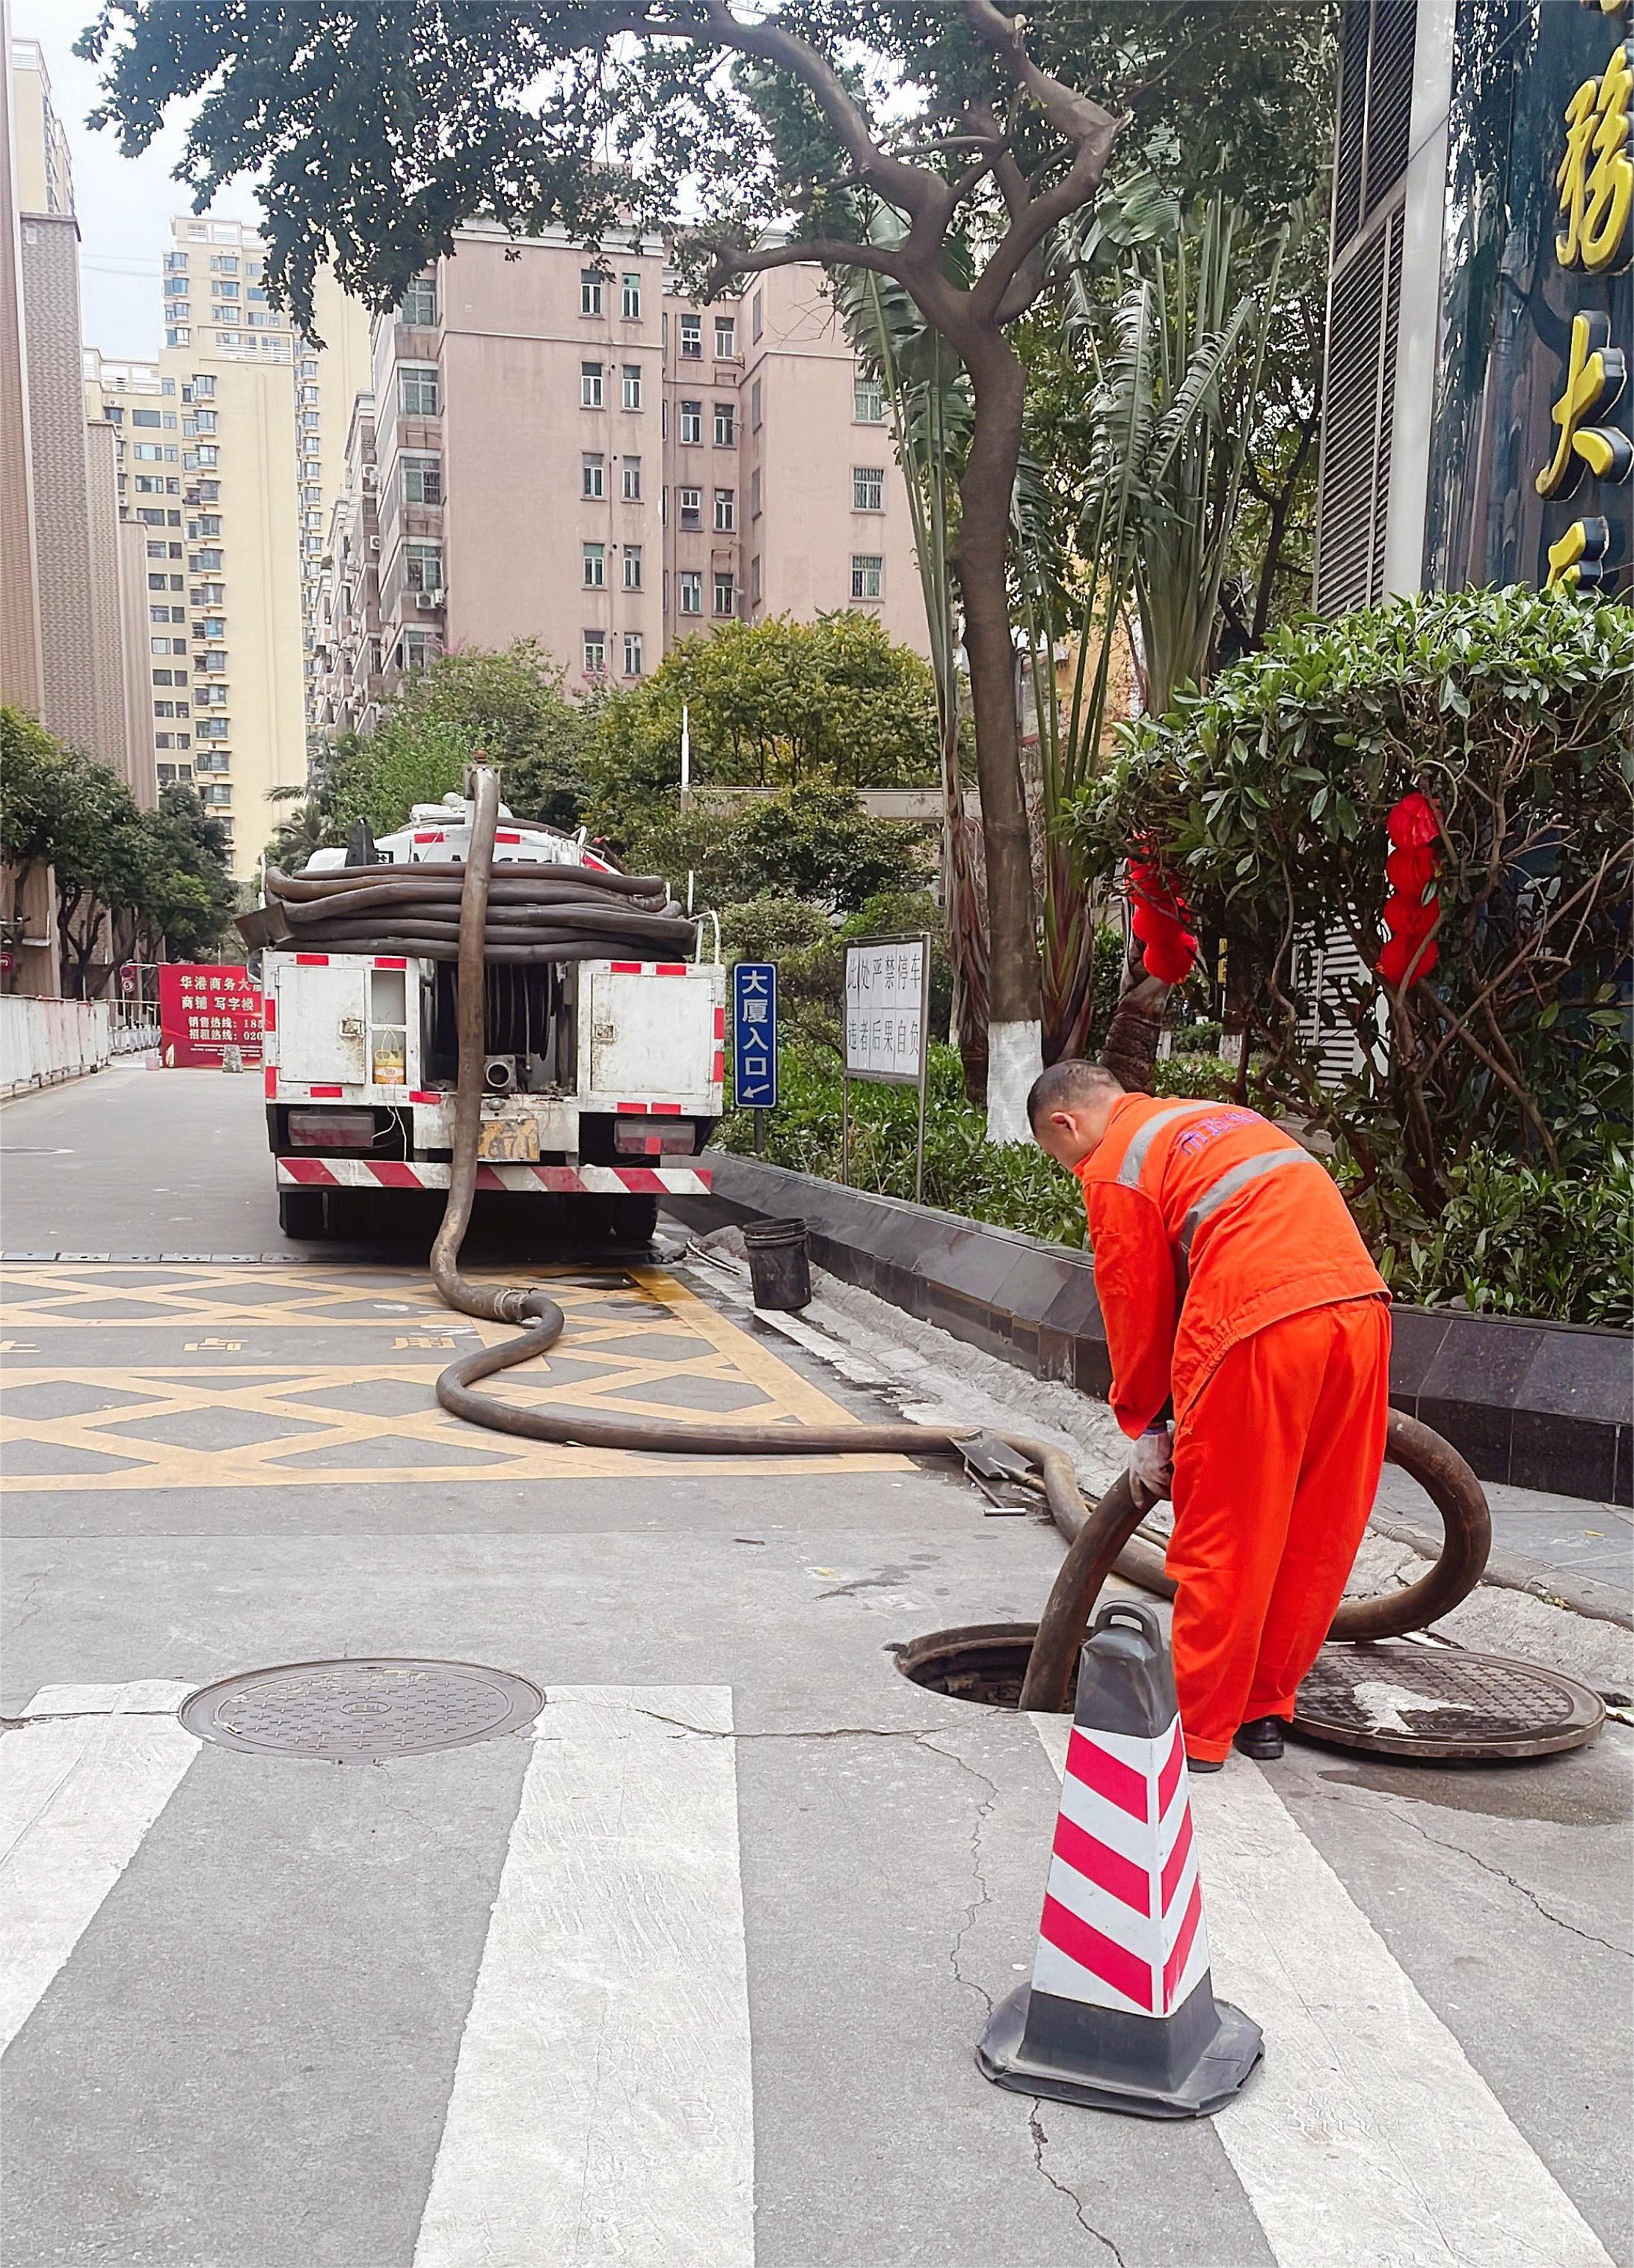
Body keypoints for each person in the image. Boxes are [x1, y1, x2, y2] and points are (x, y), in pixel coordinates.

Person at [1028, 1059, 1390, 1771]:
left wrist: (1148, 1427)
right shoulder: (1210, 1121)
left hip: (1257, 1329)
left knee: (1229, 1535)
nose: (1074, 1173)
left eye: (1059, 1157)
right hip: (1360, 1315)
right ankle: (1262, 1713)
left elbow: (1134, 1300)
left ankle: (1198, 1732)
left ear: (1065, 1124)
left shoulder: (1115, 1161)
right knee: (1314, 1532)